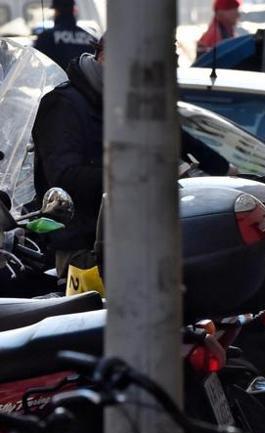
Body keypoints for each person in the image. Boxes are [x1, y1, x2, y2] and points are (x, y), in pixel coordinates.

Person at [32, 35, 230, 275]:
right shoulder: (64, 105)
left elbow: (184, 142)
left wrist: (233, 178)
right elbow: (64, 177)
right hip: (87, 251)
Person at [33, 0, 96, 70]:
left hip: (58, 80)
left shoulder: (46, 36)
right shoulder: (91, 38)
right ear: (73, 10)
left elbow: (36, 65)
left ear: (57, 11)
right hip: (86, 80)